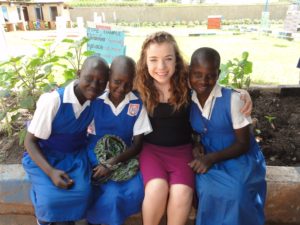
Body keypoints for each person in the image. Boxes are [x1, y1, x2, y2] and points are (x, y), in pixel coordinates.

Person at [134, 31, 254, 225]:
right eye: (153, 60)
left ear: (177, 61)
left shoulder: (186, 81)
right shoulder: (139, 85)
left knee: (181, 193)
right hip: (152, 151)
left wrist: (242, 93)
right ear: (144, 62)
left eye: (168, 59)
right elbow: (112, 90)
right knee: (156, 188)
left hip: (182, 151)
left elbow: (211, 82)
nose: (161, 67)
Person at [22, 56, 110, 225]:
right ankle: (43, 218)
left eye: (101, 82)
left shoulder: (95, 102)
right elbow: (30, 142)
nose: (94, 86)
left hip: (74, 156)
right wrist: (50, 172)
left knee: (83, 193)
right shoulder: (54, 101)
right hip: (45, 156)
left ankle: (65, 220)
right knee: (50, 200)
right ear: (78, 74)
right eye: (89, 78)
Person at [188, 47, 266, 225]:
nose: (204, 80)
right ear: (189, 72)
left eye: (210, 75)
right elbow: (193, 129)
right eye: (197, 74)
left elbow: (243, 143)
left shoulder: (233, 100)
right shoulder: (188, 98)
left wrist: (210, 159)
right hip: (209, 153)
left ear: (218, 74)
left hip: (239, 157)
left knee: (237, 192)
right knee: (204, 188)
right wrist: (196, 144)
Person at [86, 55, 152, 225]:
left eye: (128, 84)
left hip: (124, 156)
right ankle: (96, 221)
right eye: (116, 81)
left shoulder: (137, 105)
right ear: (108, 78)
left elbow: (137, 146)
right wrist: (103, 163)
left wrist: (112, 163)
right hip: (95, 156)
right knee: (108, 192)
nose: (122, 88)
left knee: (136, 189)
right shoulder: (94, 100)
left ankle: (104, 219)